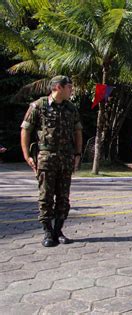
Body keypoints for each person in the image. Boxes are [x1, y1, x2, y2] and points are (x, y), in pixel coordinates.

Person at [20, 75, 82, 247]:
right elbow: (25, 129)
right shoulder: (38, 106)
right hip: (46, 157)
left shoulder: (71, 108)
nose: (72, 90)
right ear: (58, 88)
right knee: (46, 197)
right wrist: (27, 155)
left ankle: (58, 231)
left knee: (63, 197)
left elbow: (78, 132)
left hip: (66, 158)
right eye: (69, 86)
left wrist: (77, 155)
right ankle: (47, 232)